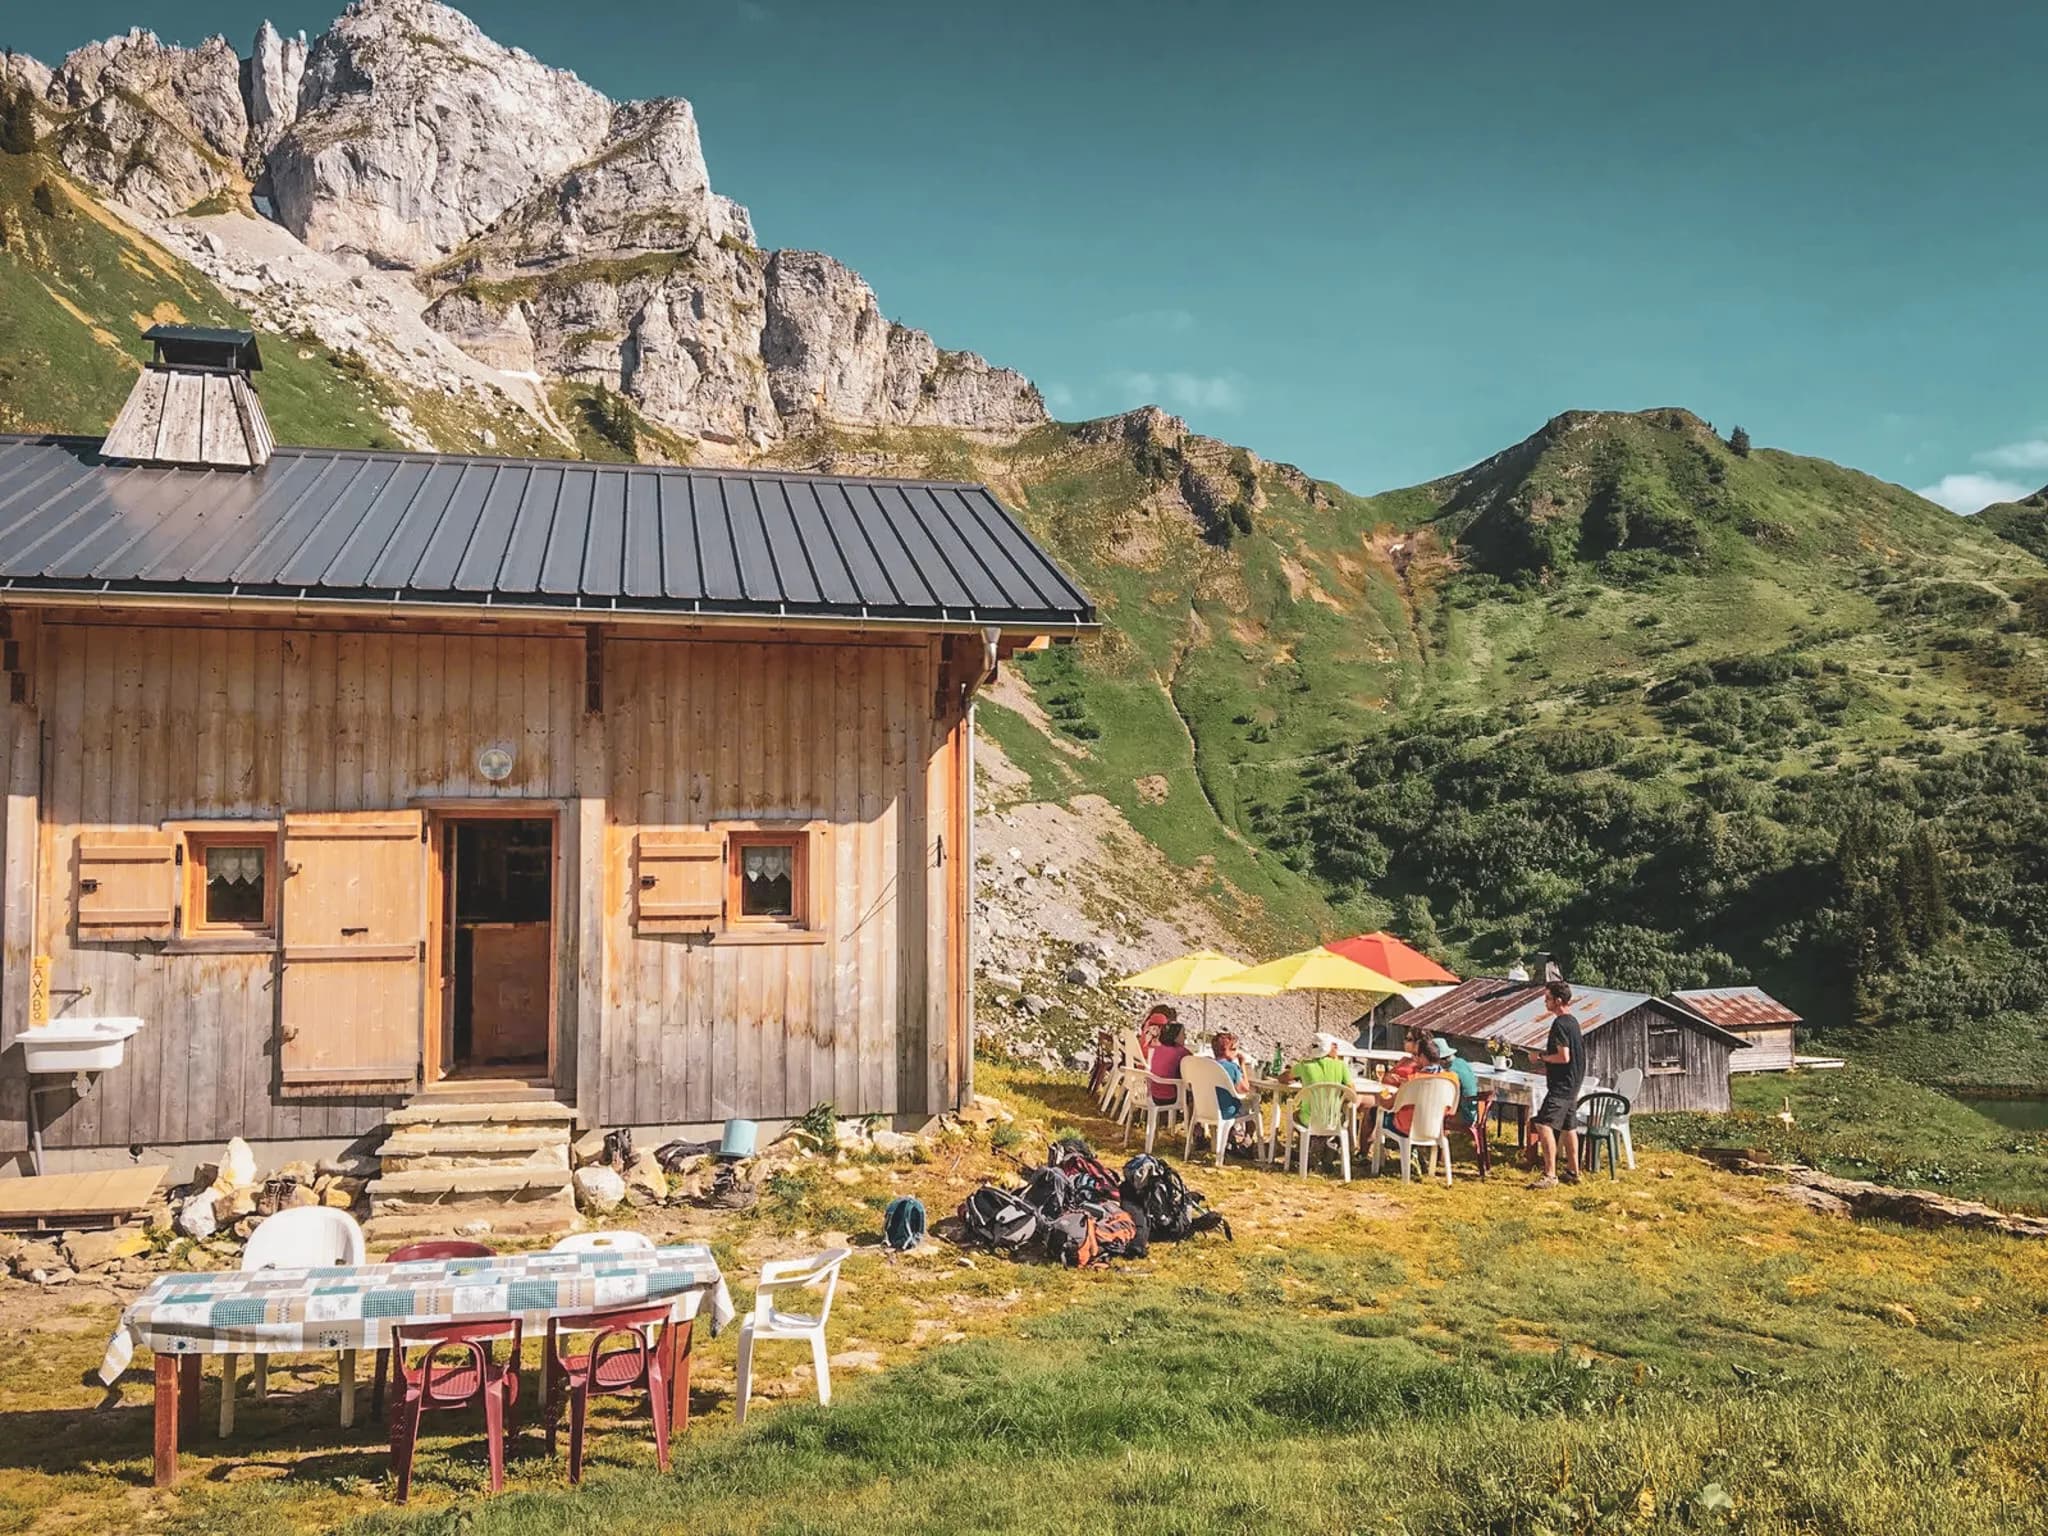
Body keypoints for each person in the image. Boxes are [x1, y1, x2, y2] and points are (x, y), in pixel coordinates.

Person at [1521, 977, 1584, 1187]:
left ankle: (1550, 1175)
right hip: (1574, 1082)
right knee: (1568, 1126)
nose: (1545, 1002)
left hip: (1562, 1084)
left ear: (1557, 1000)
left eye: (1547, 998)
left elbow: (1564, 1056)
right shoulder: (1573, 1021)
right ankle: (1573, 1171)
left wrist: (1540, 1058)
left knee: (1543, 1123)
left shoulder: (1560, 1023)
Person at [1147, 1018, 1191, 1103]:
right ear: (1176, 1036)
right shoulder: (1181, 1052)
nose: (1185, 1037)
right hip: (1170, 1096)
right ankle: (1190, 1115)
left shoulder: (1157, 1049)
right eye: (1183, 1034)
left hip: (1154, 1094)